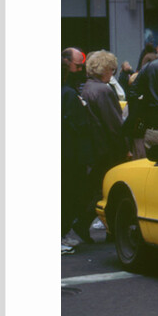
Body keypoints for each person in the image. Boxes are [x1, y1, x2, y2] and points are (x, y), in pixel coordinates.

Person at [78, 50, 129, 243]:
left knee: (97, 187)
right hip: (108, 148)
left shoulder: (88, 87)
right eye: (111, 69)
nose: (113, 72)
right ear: (104, 69)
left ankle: (84, 222)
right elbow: (114, 125)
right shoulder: (104, 90)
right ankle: (104, 227)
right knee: (108, 189)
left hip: (96, 146)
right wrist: (126, 148)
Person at [61, 48, 97, 254]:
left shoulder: (68, 92)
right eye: (76, 66)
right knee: (68, 195)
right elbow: (79, 127)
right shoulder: (68, 94)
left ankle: (62, 233)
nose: (80, 70)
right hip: (69, 155)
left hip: (66, 153)